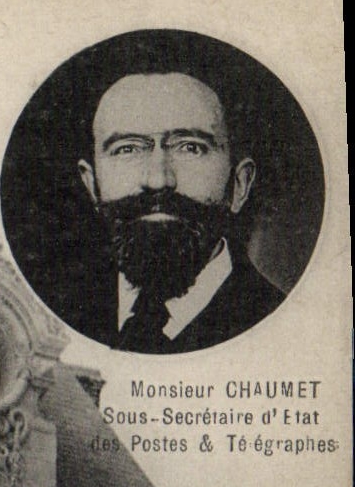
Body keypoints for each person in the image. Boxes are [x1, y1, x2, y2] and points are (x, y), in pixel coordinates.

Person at [75, 68, 285, 352]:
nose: (159, 179)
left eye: (190, 148)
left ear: (240, 184)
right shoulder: (65, 306)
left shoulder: (282, 324)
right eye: (127, 149)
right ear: (92, 185)